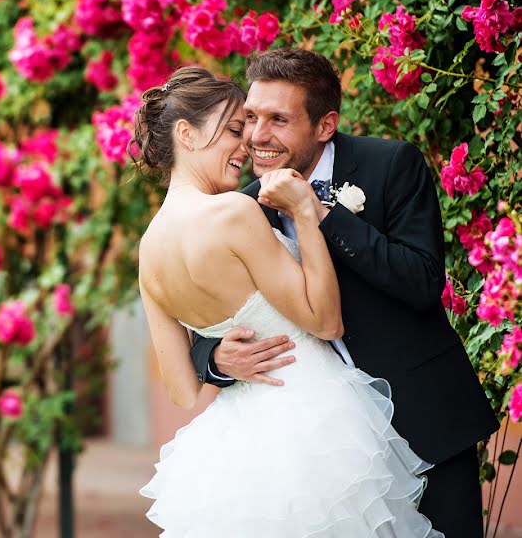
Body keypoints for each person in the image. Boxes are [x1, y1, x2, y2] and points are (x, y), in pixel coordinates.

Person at [185, 48, 499, 536]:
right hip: (324, 449)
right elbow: (209, 318)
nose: (257, 137)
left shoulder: (392, 164)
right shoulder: (240, 208)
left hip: (423, 423)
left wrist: (321, 215)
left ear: (325, 125)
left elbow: (421, 282)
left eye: (278, 120)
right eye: (250, 117)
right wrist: (216, 360)